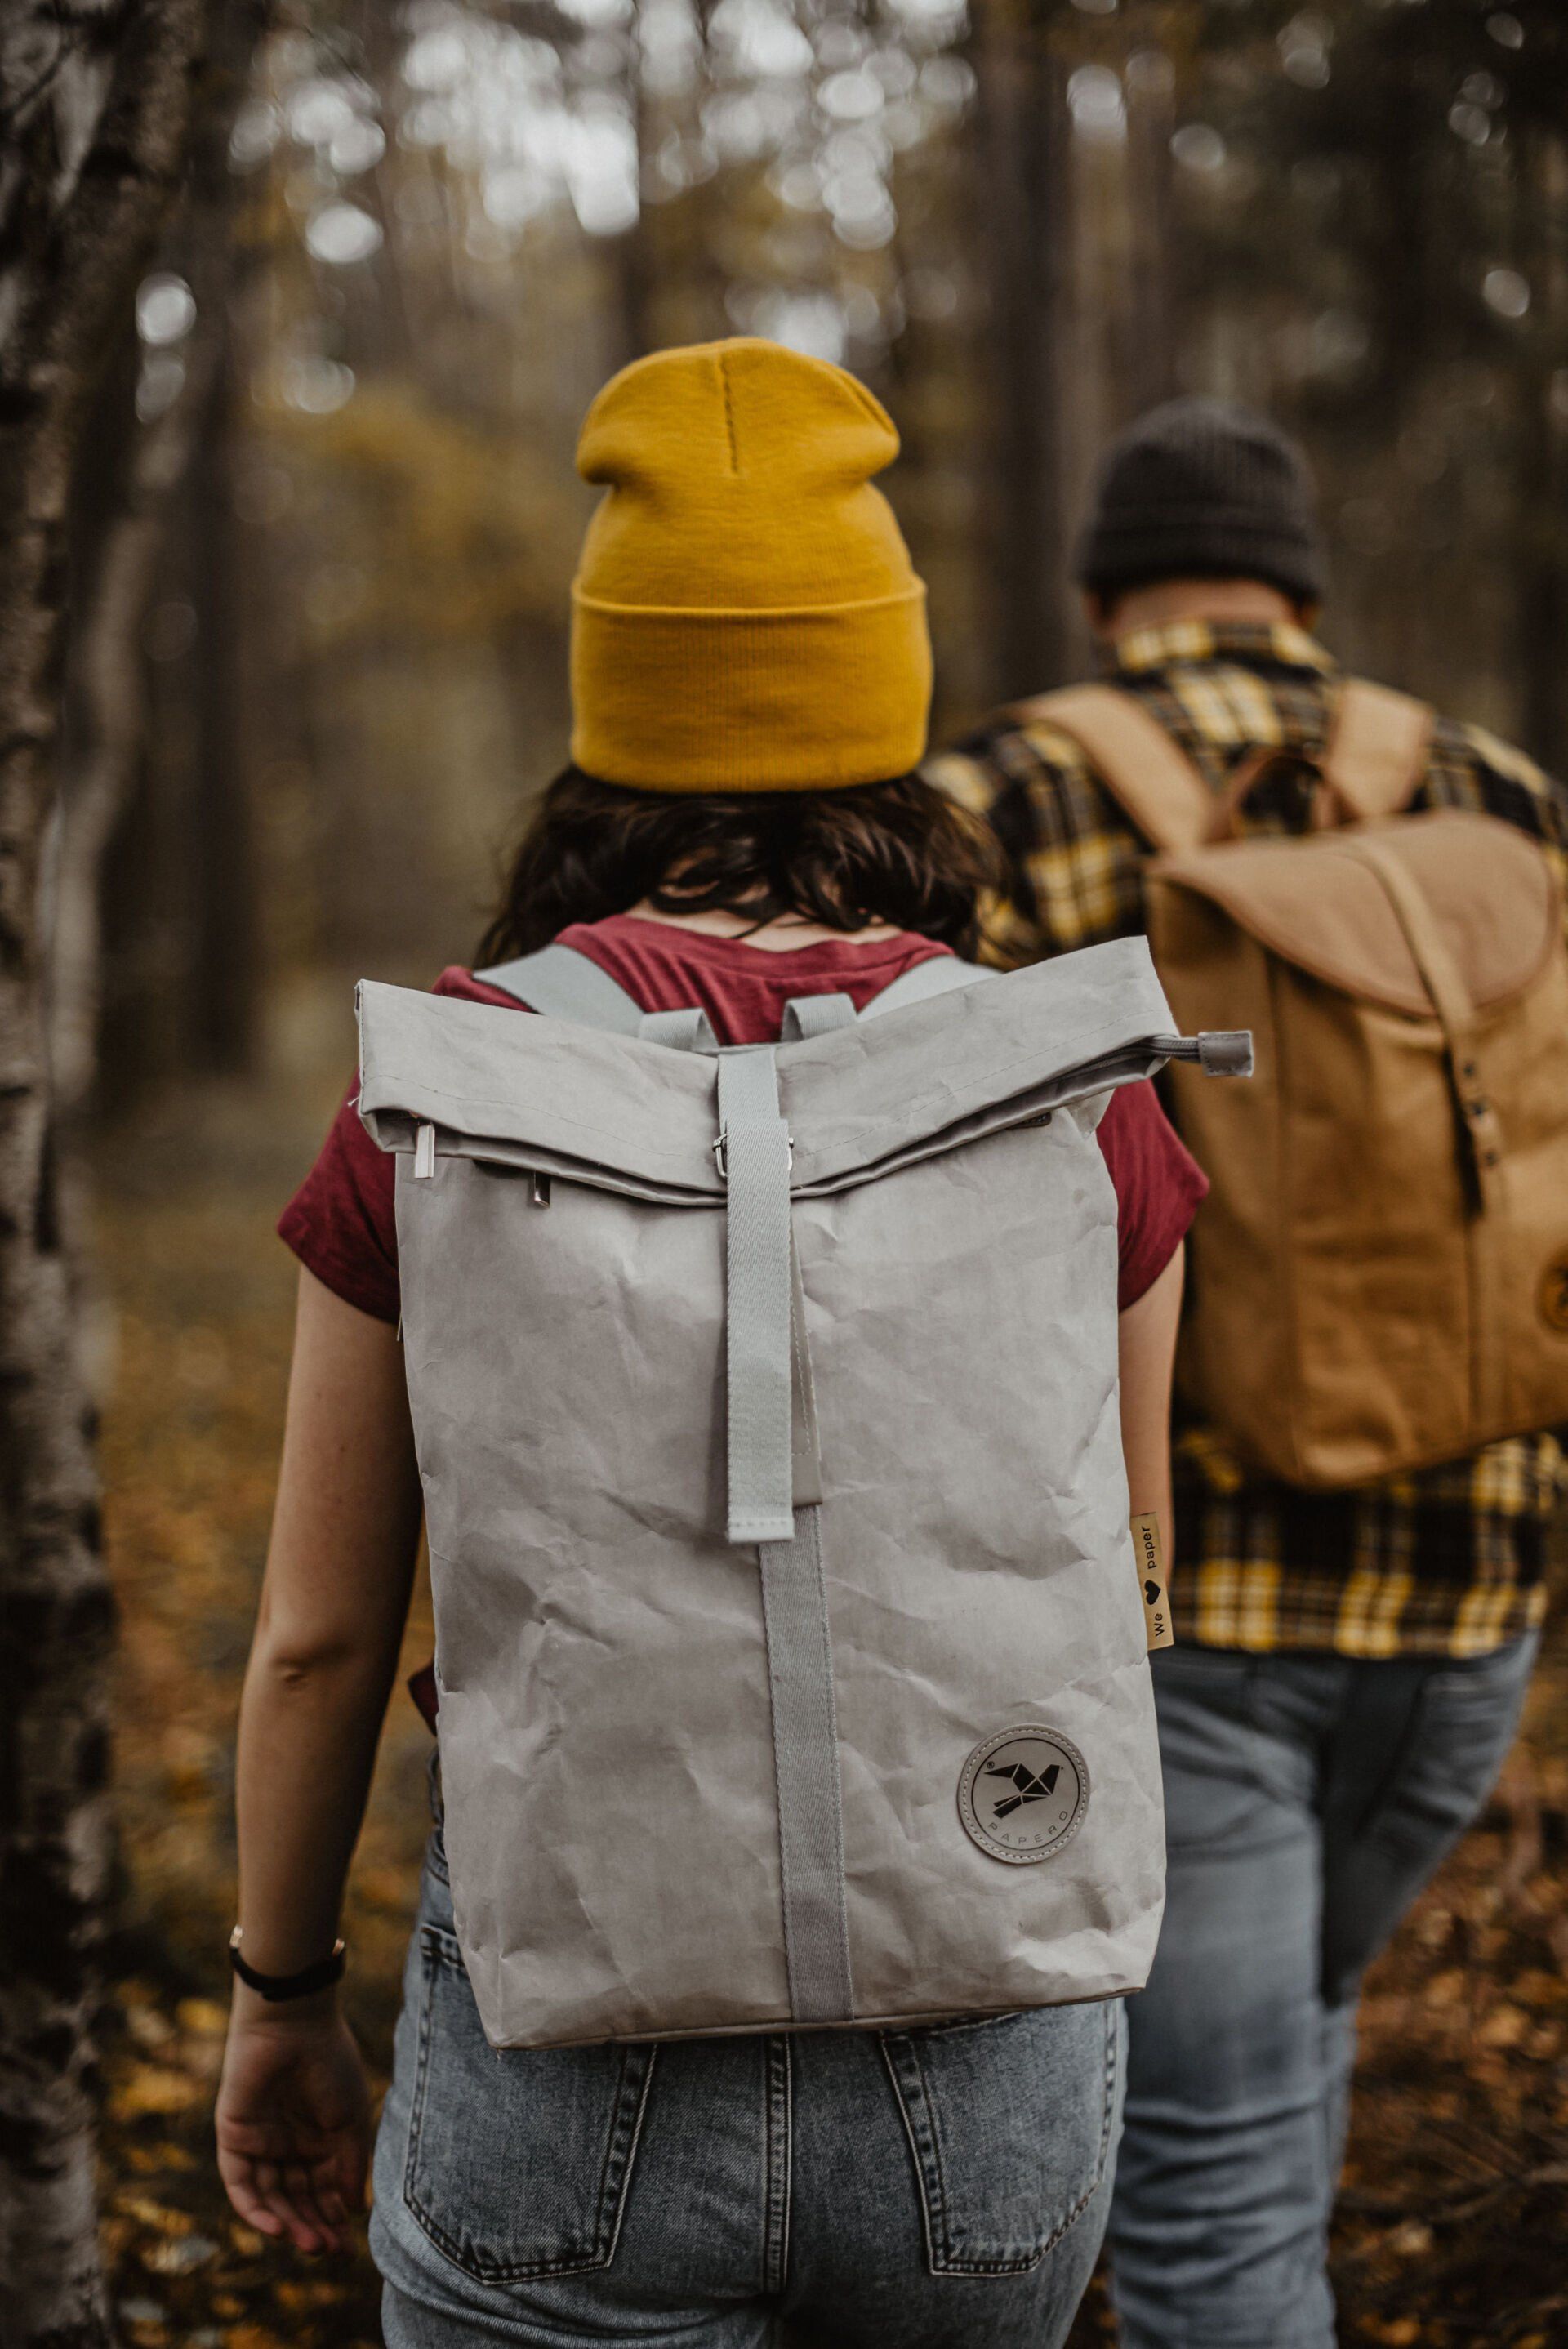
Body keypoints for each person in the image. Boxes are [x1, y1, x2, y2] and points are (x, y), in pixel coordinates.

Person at [213, 339, 1207, 2349]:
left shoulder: (450, 1083)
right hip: (992, 2040)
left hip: (564, 2049)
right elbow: (1133, 1575)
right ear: (891, 703)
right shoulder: (1065, 1084)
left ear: (611, 713)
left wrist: (279, 1996)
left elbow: (321, 1639)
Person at [925, 393, 1568, 2349]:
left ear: (1105, 592)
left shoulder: (1006, 793)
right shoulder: (1496, 791)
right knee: (1281, 2055)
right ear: (1300, 589)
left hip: (1176, 1592)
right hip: (1476, 1579)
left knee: (1209, 2207)